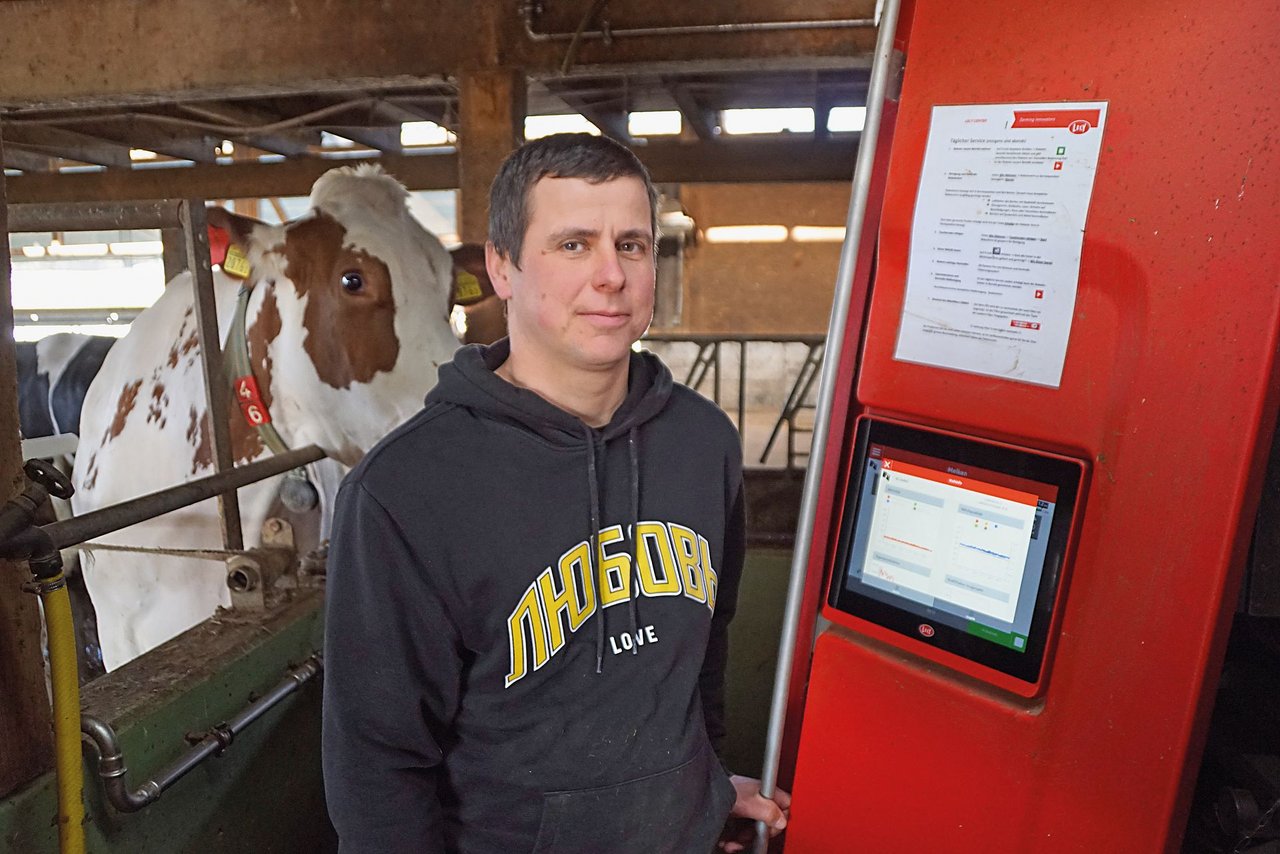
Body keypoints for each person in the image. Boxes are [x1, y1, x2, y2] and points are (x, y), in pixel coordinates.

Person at [322, 132, 790, 853]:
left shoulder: (704, 442)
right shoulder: (404, 491)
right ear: (501, 268)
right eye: (573, 245)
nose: (611, 275)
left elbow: (703, 659)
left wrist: (703, 787)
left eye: (632, 245)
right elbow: (379, 768)